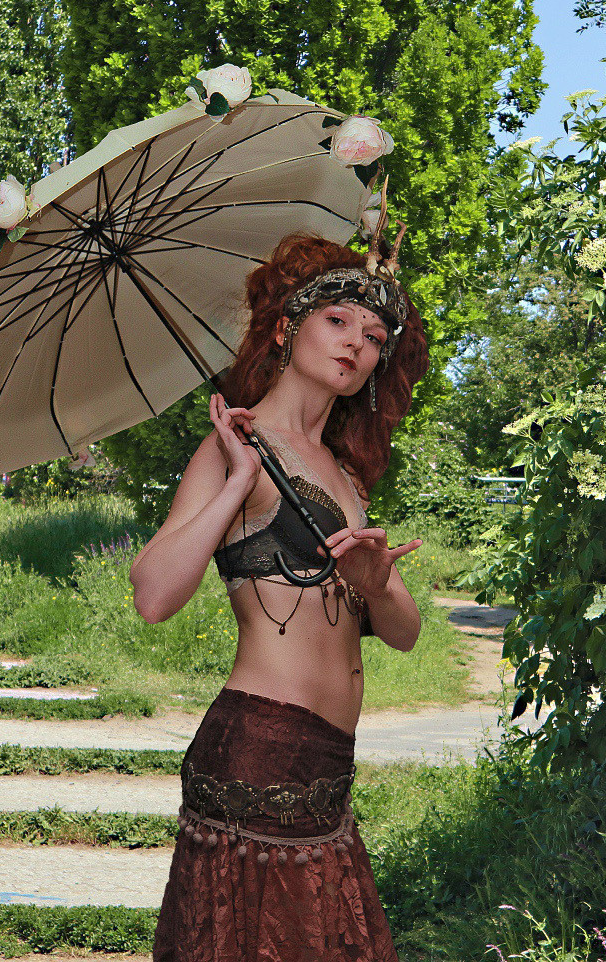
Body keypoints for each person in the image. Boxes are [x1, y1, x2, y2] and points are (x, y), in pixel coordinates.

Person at [129, 228, 430, 962]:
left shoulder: (347, 473)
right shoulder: (239, 444)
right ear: (288, 326)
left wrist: (376, 581)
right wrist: (234, 480)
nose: (358, 342)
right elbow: (153, 596)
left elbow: (405, 633)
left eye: (375, 334)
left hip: (329, 769)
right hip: (257, 752)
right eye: (337, 321)